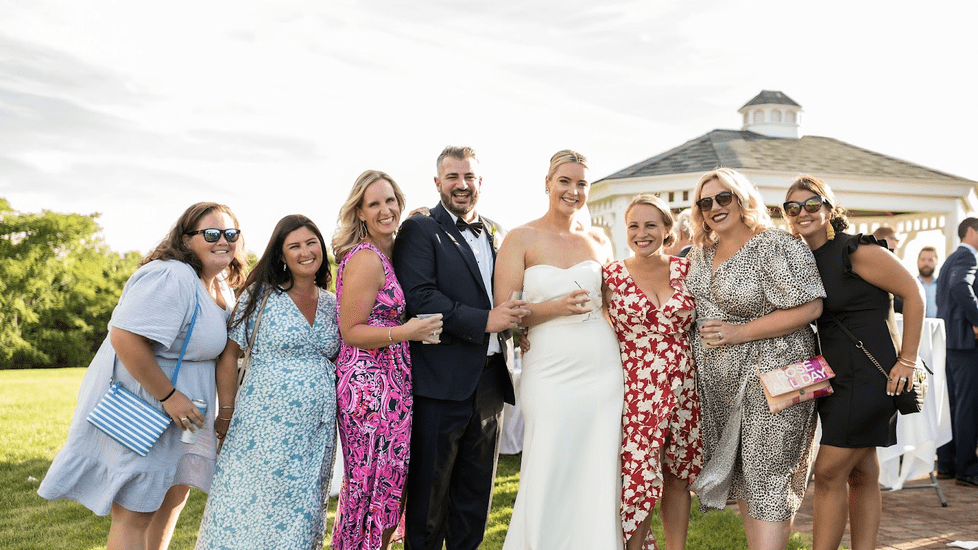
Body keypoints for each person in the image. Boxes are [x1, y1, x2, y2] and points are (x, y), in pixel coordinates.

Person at [38, 202, 246, 550]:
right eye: (211, 233)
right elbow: (124, 337)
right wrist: (168, 396)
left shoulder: (219, 285)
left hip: (186, 416)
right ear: (186, 239)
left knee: (171, 500)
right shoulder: (171, 275)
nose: (222, 240)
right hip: (150, 407)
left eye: (230, 234)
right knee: (136, 512)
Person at [392, 146, 525, 550]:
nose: (461, 185)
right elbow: (421, 297)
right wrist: (487, 321)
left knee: (474, 502)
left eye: (469, 177)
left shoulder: (495, 233)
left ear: (480, 183)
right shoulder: (419, 230)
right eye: (452, 177)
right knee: (429, 503)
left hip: (488, 384)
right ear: (437, 183)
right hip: (439, 384)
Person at [685, 168, 825, 550]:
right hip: (726, 389)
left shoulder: (776, 244)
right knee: (750, 478)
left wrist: (739, 332)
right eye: (706, 202)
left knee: (768, 478)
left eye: (723, 197)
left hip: (778, 376)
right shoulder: (702, 253)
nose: (715, 207)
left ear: (743, 198)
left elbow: (811, 307)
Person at [782, 176, 924, 550]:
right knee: (862, 473)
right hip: (834, 378)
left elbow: (914, 292)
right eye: (792, 208)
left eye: (812, 204)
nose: (803, 213)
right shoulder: (800, 260)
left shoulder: (854, 250)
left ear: (831, 208)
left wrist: (908, 360)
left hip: (872, 375)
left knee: (828, 473)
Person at [494, 149, 624, 550]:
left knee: (598, 463)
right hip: (548, 367)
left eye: (581, 183)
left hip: (601, 366)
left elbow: (616, 305)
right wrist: (554, 308)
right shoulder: (520, 238)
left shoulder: (599, 240)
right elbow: (505, 315)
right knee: (548, 459)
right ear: (547, 183)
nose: (573, 190)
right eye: (565, 181)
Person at [195, 214, 341, 549]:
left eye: (311, 243)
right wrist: (227, 411)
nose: (305, 251)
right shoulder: (260, 297)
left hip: (315, 433)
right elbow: (229, 355)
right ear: (281, 256)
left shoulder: (334, 304)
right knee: (245, 512)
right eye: (295, 246)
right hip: (260, 429)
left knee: (300, 517)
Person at [330, 170, 444, 549]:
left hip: (392, 384)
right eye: (374, 203)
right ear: (359, 212)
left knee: (386, 489)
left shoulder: (390, 252)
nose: (384, 209)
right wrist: (406, 331)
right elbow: (351, 330)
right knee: (369, 489)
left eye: (390, 200)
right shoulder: (366, 258)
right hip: (368, 386)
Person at [604, 193, 702, 550]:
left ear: (667, 229)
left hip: (685, 386)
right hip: (636, 390)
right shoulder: (609, 276)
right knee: (641, 479)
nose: (641, 233)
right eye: (633, 226)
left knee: (678, 475)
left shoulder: (687, 270)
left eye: (650, 225)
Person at [935, 217, 978, 488]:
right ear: (972, 231)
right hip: (964, 343)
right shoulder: (968, 258)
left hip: (950, 343)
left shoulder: (951, 258)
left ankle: (947, 465)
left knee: (951, 406)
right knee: (967, 406)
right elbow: (960, 286)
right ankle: (967, 468)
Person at [917, 246, 939, 318]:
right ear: (918, 261)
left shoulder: (942, 286)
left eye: (930, 260)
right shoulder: (911, 286)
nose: (926, 263)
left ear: (936, 262)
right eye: (923, 260)